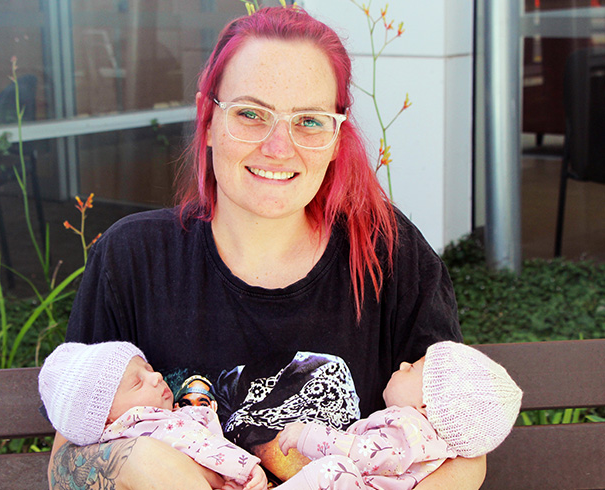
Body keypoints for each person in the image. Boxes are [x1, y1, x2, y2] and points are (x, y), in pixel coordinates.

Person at [48, 6, 486, 489]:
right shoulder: (133, 259)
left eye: (310, 121)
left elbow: (464, 455)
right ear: (208, 120)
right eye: (251, 114)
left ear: (337, 137)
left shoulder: (388, 252)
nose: (279, 146)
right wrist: (147, 466)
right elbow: (65, 461)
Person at [274, 341, 523, 489]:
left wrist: (308, 435)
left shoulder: (410, 429)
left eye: (413, 368)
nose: (403, 365)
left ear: (425, 405)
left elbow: (368, 454)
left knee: (333, 469)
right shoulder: (435, 448)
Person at [38, 341, 268, 490]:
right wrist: (245, 470)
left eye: (148, 369)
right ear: (106, 418)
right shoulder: (148, 424)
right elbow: (201, 445)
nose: (157, 376)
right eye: (138, 383)